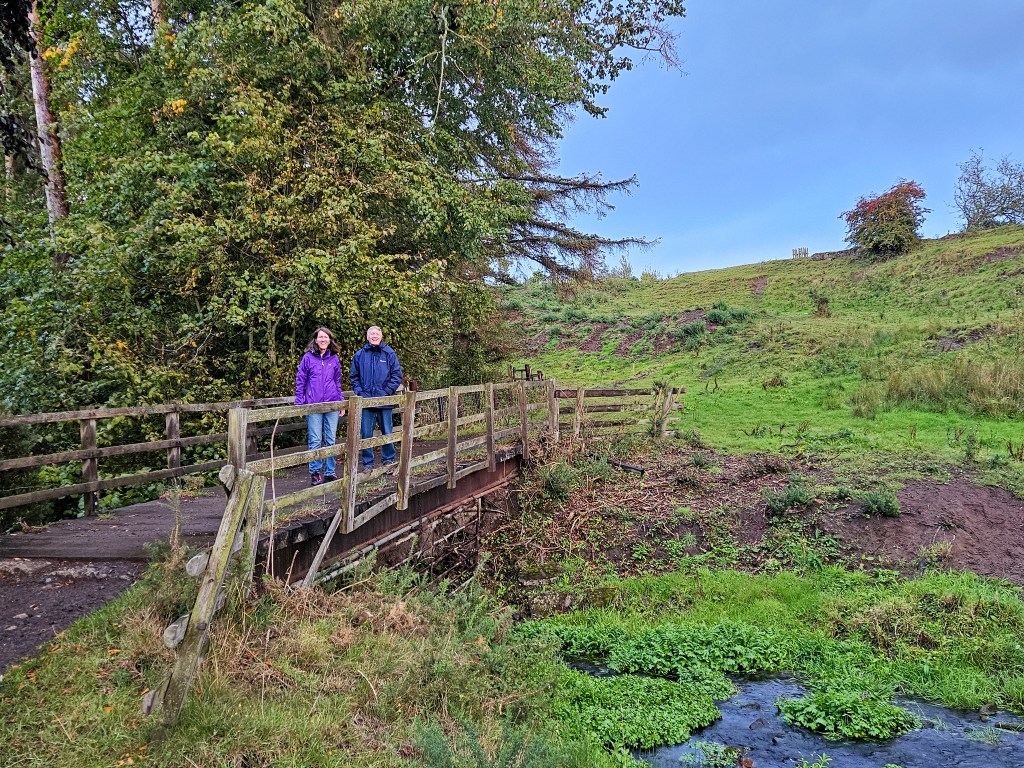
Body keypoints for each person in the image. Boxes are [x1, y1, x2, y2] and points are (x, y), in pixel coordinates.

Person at [294, 326, 344, 485]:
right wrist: (299, 401)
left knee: (330, 439)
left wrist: (341, 402)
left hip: (332, 405)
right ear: (315, 340)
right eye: (320, 337)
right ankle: (315, 472)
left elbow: (337, 382)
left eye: (326, 337)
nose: (323, 340)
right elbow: (301, 380)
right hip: (314, 405)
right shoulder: (308, 358)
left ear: (330, 340)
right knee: (315, 440)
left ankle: (330, 471)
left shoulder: (334, 359)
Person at [350, 326, 403, 470]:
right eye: (372, 334)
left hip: (384, 401)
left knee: (387, 431)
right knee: (366, 433)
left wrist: (386, 392)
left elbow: (397, 375)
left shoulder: (389, 353)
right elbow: (354, 377)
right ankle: (368, 463)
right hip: (366, 401)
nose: (374, 336)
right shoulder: (360, 355)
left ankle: (388, 460)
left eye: (377, 334)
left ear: (381, 336)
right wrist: (360, 392)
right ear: (367, 337)